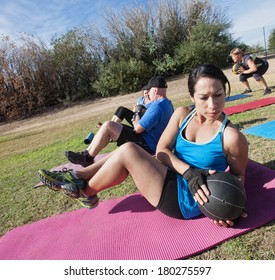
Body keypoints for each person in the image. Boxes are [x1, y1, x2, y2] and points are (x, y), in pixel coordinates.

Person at [38, 64, 248, 227]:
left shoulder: (231, 137)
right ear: (192, 96)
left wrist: (225, 206)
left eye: (219, 95)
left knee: (129, 150)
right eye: (203, 97)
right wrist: (189, 172)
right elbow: (161, 151)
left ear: (225, 91)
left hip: (188, 200)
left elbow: (239, 177)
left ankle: (83, 190)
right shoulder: (183, 114)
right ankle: (80, 180)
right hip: (174, 174)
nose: (212, 105)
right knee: (127, 150)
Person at [65, 75, 174, 167]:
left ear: (155, 90)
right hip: (150, 139)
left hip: (148, 144)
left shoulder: (157, 106)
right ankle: (86, 155)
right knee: (109, 125)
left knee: (109, 126)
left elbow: (138, 129)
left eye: (149, 91)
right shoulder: (167, 104)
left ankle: (87, 158)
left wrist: (137, 113)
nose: (148, 94)